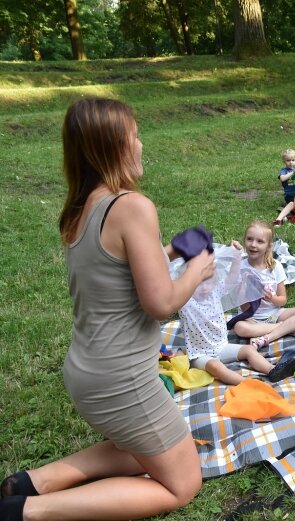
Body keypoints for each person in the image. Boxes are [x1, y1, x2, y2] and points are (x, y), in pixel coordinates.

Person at [0, 98, 215, 520]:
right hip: (122, 381)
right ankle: (27, 510)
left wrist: (171, 250)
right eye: (134, 135)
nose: (140, 144)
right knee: (181, 484)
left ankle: (33, 480)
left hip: (88, 372)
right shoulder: (132, 206)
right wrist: (198, 269)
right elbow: (161, 303)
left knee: (142, 454)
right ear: (115, 145)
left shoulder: (82, 211)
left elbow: (115, 272)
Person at [179, 241, 295, 386]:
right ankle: (249, 384)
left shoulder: (214, 291)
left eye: (210, 279)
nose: (207, 285)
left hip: (222, 346)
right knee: (216, 366)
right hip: (200, 355)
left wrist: (237, 257)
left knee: (249, 350)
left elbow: (232, 280)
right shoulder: (184, 300)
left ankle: (273, 370)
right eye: (202, 281)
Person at [231, 221, 295, 348]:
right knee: (239, 328)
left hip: (275, 314)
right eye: (249, 239)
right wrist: (248, 292)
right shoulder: (242, 267)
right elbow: (244, 308)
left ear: (268, 246)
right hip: (252, 319)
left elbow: (282, 300)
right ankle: (287, 327)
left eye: (260, 241)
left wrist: (272, 298)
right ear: (244, 240)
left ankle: (268, 337)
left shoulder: (275, 267)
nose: (253, 245)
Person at [273, 148, 295, 226]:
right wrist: (293, 172)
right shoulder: (284, 170)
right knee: (294, 205)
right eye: (288, 160)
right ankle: (286, 214)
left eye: (293, 160)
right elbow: (282, 178)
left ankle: (288, 213)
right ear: (284, 161)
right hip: (290, 195)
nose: (291, 162)